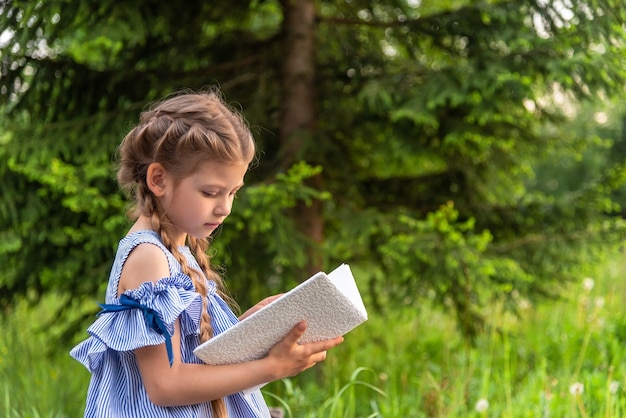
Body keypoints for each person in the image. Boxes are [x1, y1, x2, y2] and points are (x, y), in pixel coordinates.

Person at [70, 89, 344, 417]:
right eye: (210, 192)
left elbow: (192, 356)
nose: (225, 207)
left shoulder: (175, 251)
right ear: (159, 179)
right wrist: (272, 368)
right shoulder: (149, 257)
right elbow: (165, 385)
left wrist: (253, 327)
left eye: (233, 192)